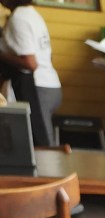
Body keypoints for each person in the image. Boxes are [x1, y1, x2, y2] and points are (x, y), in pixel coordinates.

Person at [0, 0, 59, 147]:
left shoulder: (19, 18)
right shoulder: (32, 14)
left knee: (41, 144)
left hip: (37, 88)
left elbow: (31, 63)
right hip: (50, 83)